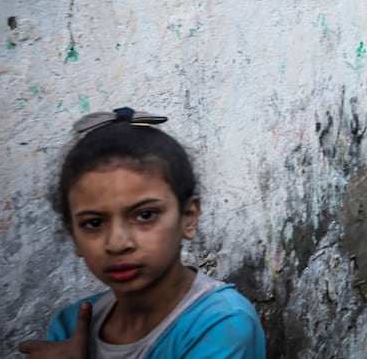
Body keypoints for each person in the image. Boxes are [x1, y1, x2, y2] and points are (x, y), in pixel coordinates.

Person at [17, 107, 267, 358]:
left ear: (188, 217)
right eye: (93, 223)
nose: (117, 243)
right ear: (74, 236)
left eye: (145, 215)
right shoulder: (70, 327)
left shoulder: (222, 324)